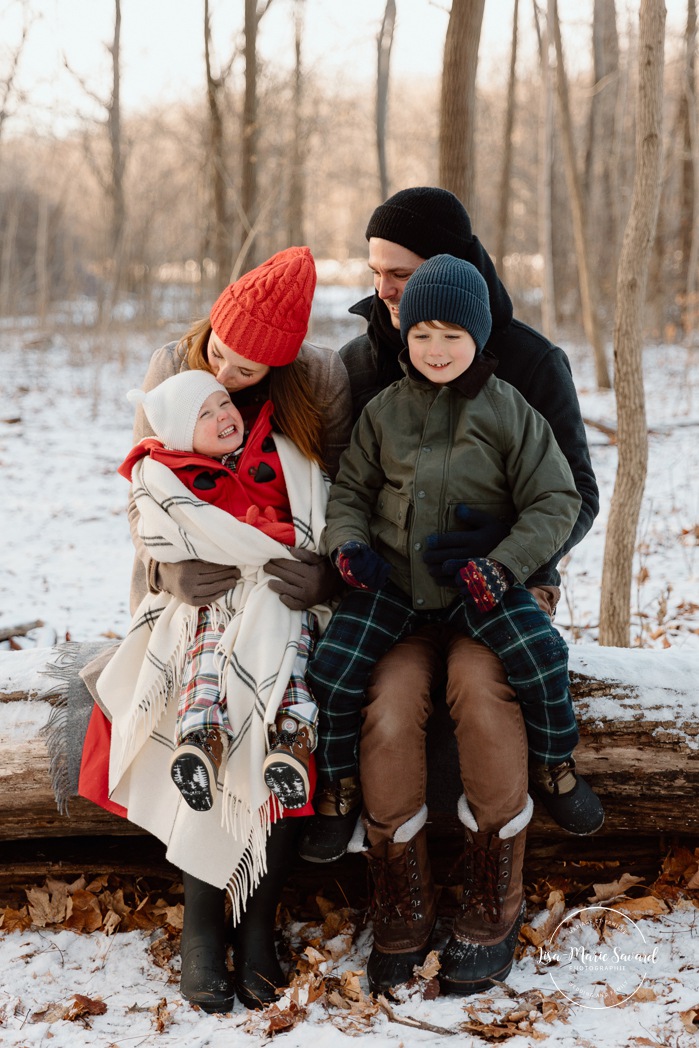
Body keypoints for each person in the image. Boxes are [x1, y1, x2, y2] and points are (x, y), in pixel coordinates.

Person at [304, 187, 600, 999]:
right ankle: (395, 892)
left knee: (479, 686)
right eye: (377, 276)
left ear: (452, 270)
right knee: (390, 700)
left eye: (400, 274)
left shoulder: (529, 365)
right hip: (397, 593)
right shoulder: (370, 359)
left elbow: (572, 492)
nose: (385, 293)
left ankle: (491, 893)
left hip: (494, 588)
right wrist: (349, 551)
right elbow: (348, 485)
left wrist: (501, 554)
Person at [79, 246, 352, 1013]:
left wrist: (326, 573)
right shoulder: (173, 360)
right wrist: (169, 574)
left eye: (249, 370)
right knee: (202, 706)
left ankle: (258, 918)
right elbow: (146, 491)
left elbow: (344, 496)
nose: (228, 376)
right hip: (191, 595)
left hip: (287, 592)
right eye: (221, 356)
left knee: (284, 712)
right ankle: (204, 921)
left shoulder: (320, 381)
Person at [119, 369, 322, 814]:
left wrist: (281, 540)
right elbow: (162, 523)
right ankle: (199, 740)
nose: (223, 416)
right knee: (207, 649)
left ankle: (292, 738)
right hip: (216, 590)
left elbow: (311, 505)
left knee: (291, 648)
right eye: (204, 415)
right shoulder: (171, 474)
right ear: (181, 439)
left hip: (277, 582)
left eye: (223, 404)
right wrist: (169, 569)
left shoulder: (275, 448)